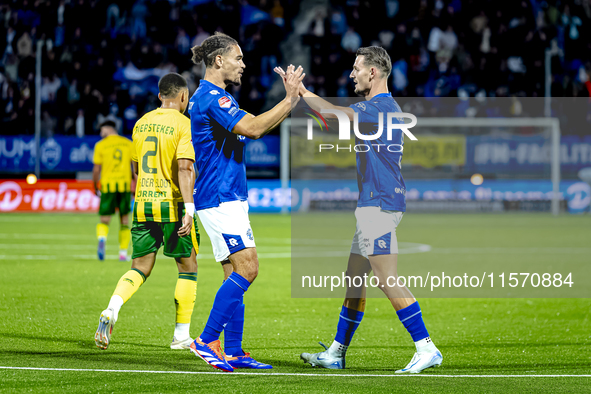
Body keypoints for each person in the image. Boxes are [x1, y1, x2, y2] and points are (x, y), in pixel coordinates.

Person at [275, 46, 443, 374]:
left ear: (373, 73)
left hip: (378, 205)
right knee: (355, 278)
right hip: (376, 203)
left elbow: (332, 115)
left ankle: (426, 347)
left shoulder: (378, 107)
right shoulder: (383, 107)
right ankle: (337, 352)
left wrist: (302, 91)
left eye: (356, 68)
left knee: (386, 277)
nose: (352, 74)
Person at [187, 32, 304, 372]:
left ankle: (234, 351)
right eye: (238, 58)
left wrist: (290, 102)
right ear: (218, 61)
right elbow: (252, 128)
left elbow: (250, 127)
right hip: (221, 198)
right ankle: (207, 340)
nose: (244, 64)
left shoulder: (209, 97)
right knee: (249, 268)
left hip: (222, 196)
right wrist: (289, 100)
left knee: (234, 275)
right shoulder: (213, 98)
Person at [95, 73, 200, 351]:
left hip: (142, 204)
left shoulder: (140, 124)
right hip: (173, 204)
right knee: (187, 267)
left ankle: (112, 308)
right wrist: (189, 208)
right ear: (183, 97)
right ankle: (181, 335)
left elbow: (136, 169)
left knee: (140, 267)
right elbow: (185, 168)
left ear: (159, 97)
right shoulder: (184, 124)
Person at [92, 120, 134, 262]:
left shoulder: (100, 145)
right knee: (124, 220)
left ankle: (102, 240)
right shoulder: (128, 143)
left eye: (101, 130)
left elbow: (96, 169)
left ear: (108, 129)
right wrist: (136, 184)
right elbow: (134, 167)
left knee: (104, 219)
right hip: (124, 185)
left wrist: (94, 185)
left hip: (108, 185)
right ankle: (122, 253)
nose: (100, 133)